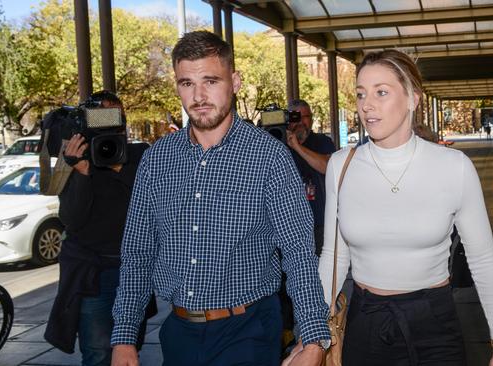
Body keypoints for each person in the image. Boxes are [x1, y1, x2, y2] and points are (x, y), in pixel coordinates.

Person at [110, 31, 330, 366]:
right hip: (178, 333)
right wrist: (124, 336)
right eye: (187, 83)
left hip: (249, 332)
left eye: (210, 81)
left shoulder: (269, 157)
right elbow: (138, 251)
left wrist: (314, 338)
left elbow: (298, 250)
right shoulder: (157, 159)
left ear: (235, 81)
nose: (198, 96)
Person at [315, 50, 493, 365]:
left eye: (381, 92)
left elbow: (483, 259)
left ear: (413, 98)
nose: (366, 104)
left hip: (434, 323)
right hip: (365, 322)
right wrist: (313, 330)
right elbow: (334, 256)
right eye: (360, 94)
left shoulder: (454, 166)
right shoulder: (342, 166)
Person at [44, 90, 155, 366]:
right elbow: (72, 220)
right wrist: (81, 172)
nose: (110, 124)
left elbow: (155, 202)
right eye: (101, 118)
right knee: (98, 352)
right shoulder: (78, 159)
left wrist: (118, 164)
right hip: (93, 273)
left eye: (115, 117)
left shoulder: (139, 155)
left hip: (132, 270)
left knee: (130, 349)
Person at [286, 99, 336, 257]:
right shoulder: (278, 144)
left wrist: (297, 147)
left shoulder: (322, 141)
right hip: (289, 225)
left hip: (318, 224)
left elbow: (327, 167)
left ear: (312, 119)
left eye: (305, 117)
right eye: (295, 117)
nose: (300, 122)